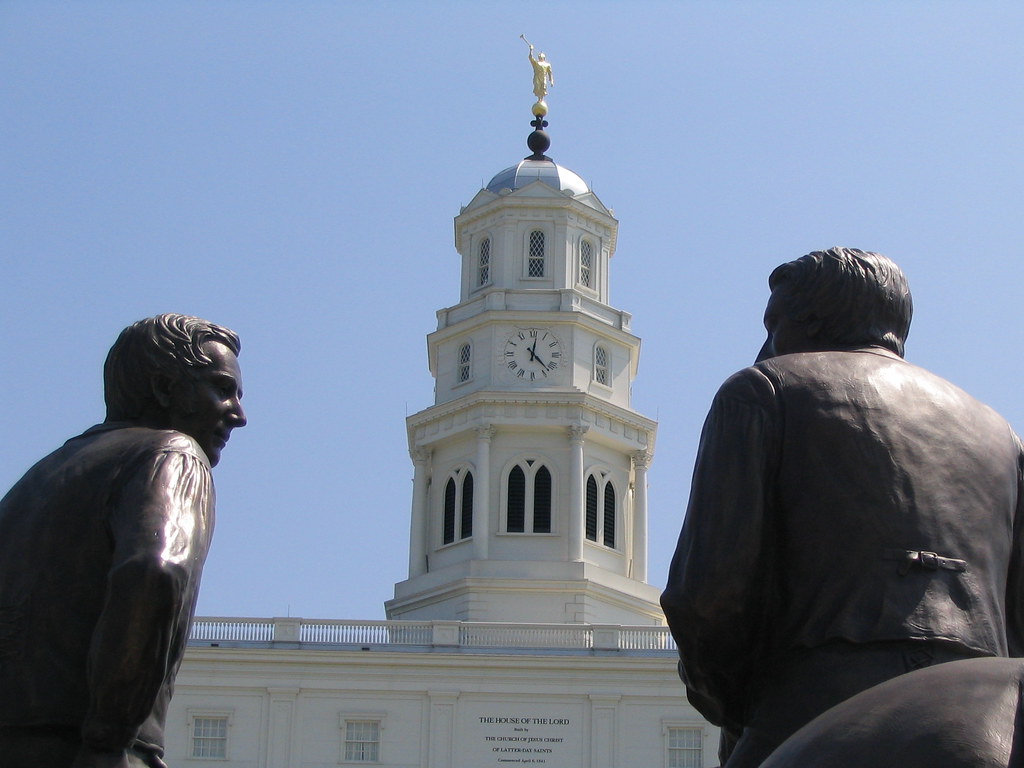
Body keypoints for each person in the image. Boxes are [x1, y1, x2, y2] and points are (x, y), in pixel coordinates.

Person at [660, 248, 1024, 768]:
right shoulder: (1001, 434)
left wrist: (733, 710)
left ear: (810, 322)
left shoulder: (762, 391)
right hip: (992, 700)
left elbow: (709, 595)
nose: (766, 345)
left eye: (774, 324)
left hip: (821, 695)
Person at [0, 314, 247, 768]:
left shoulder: (34, 483)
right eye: (221, 388)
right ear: (163, 388)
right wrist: (108, 738)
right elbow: (154, 571)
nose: (239, 414)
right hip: (87, 749)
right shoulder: (173, 454)